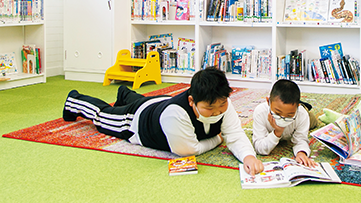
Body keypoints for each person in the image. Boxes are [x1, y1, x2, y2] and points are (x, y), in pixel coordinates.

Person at [62, 67, 264, 175]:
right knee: (102, 116)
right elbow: (188, 150)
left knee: (145, 101)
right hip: (138, 120)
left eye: (221, 106)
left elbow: (235, 135)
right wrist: (218, 139)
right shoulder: (175, 114)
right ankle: (74, 100)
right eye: (209, 109)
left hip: (159, 104)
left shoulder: (222, 104)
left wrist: (248, 157)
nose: (217, 112)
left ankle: (125, 93)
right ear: (192, 101)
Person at [252, 79, 316, 167]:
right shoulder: (260, 112)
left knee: (313, 122)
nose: (282, 119)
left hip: (304, 114)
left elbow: (301, 139)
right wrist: (277, 133)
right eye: (277, 113)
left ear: (297, 107)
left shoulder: (301, 114)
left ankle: (306, 106)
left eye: (289, 115)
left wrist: (301, 153)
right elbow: (260, 148)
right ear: (268, 102)